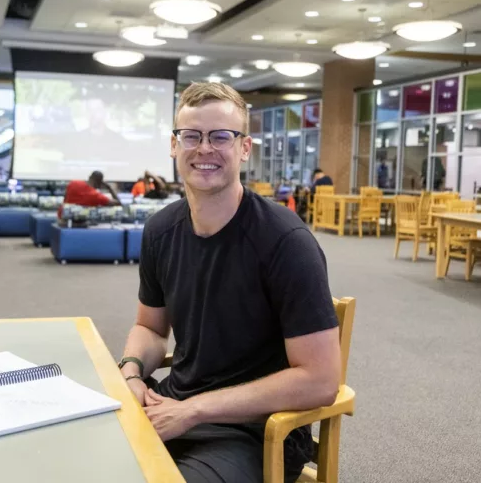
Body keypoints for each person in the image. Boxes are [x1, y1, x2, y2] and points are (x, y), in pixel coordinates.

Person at [119, 82, 340, 483]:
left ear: (244, 148)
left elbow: (321, 380)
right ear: (174, 146)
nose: (204, 148)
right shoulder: (160, 230)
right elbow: (150, 328)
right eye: (191, 135)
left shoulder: (286, 242)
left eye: (221, 136)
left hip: (254, 432)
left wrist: (195, 410)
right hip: (171, 407)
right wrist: (132, 373)